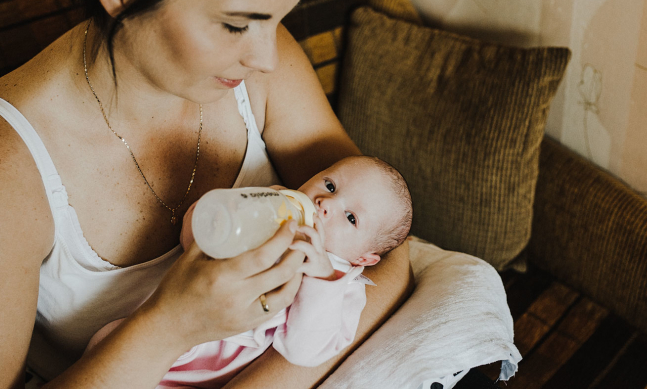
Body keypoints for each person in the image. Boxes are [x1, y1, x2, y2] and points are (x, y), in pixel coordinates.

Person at [0, 0, 412, 388]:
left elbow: (386, 248)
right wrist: (170, 325)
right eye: (235, 24)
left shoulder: (261, 67)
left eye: (279, 17)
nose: (267, 58)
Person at [86, 156, 413, 387]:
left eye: (351, 218)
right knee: (106, 344)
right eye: (329, 184)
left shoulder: (341, 287)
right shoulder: (271, 205)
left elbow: (303, 351)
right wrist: (231, 213)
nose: (326, 203)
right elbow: (192, 240)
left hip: (211, 377)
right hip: (171, 338)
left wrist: (320, 278)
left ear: (364, 259)